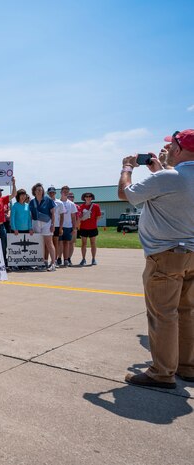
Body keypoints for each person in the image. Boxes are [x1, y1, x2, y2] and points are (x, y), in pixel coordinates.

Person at [118, 129, 194, 389]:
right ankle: (188, 366)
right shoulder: (170, 176)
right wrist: (158, 169)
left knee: (163, 315)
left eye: (172, 145)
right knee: (187, 312)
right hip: (192, 254)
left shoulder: (168, 177)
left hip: (166, 255)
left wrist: (127, 167)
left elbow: (125, 193)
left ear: (177, 148)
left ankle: (162, 372)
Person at [29, 183, 56, 271]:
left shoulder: (48, 200)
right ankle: (41, 263)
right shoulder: (32, 202)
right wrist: (31, 227)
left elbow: (53, 213)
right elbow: (30, 215)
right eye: (37, 190)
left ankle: (53, 263)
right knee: (39, 244)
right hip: (36, 222)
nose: (39, 191)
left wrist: (53, 224)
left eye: (41, 190)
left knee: (49, 243)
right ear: (34, 191)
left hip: (47, 223)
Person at [76, 192, 101, 266]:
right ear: (84, 198)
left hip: (93, 228)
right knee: (84, 244)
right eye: (86, 196)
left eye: (90, 196)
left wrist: (92, 222)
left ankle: (93, 259)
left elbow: (98, 216)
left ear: (92, 198)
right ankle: (83, 259)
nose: (88, 198)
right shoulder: (81, 206)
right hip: (83, 228)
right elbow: (79, 217)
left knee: (93, 243)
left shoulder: (96, 206)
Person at [58, 185, 78, 267]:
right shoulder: (57, 202)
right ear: (61, 192)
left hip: (68, 226)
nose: (65, 192)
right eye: (64, 190)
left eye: (67, 190)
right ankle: (58, 258)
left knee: (67, 243)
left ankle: (66, 259)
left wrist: (74, 228)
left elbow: (73, 217)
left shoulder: (71, 204)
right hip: (58, 226)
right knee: (59, 243)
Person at [47, 187, 65, 266]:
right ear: (48, 193)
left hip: (56, 225)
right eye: (50, 193)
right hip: (47, 225)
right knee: (47, 243)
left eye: (53, 192)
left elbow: (62, 216)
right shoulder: (45, 202)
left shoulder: (59, 203)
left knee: (55, 243)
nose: (51, 194)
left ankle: (54, 260)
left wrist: (61, 227)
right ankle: (47, 260)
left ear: (55, 193)